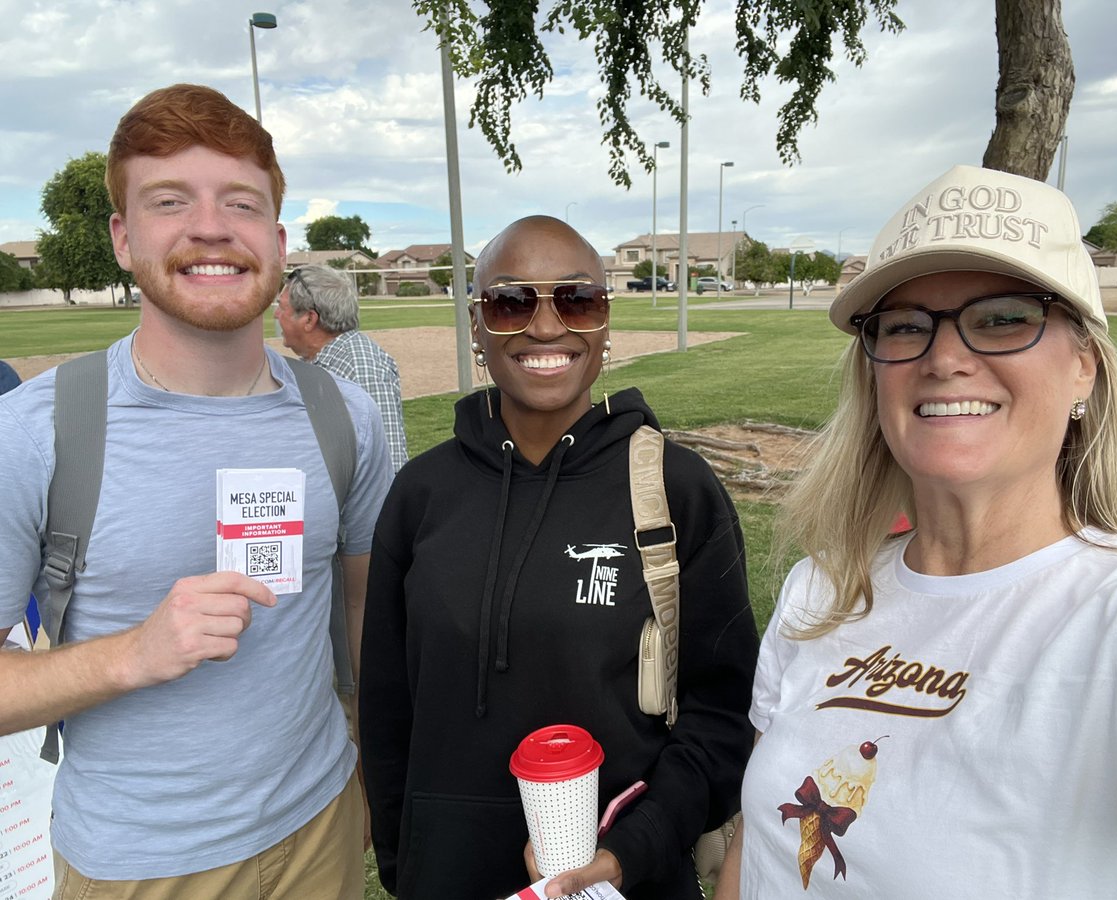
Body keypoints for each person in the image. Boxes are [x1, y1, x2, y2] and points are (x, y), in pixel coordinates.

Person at [715, 165, 1117, 898]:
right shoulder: (820, 588)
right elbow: (760, 843)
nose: (944, 359)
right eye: (906, 325)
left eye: (1004, 317)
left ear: (1084, 367)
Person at [0, 84, 391, 897]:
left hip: (322, 829)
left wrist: (371, 766)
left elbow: (363, 617)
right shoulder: (39, 433)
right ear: (121, 236)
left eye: (240, 203)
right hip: (137, 865)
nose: (211, 227)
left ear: (278, 241)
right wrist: (131, 655)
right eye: (170, 200)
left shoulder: (343, 417)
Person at [359, 215, 759, 899]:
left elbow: (723, 716)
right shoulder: (421, 494)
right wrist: (408, 862)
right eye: (511, 303)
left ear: (606, 322)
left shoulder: (677, 489)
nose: (545, 328)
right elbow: (388, 706)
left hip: (625, 878)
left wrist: (635, 848)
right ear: (477, 327)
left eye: (576, 299)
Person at [275, 264, 409, 471]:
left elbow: (388, 465)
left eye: (282, 307)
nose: (276, 315)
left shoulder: (361, 366)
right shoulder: (318, 362)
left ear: (309, 319)